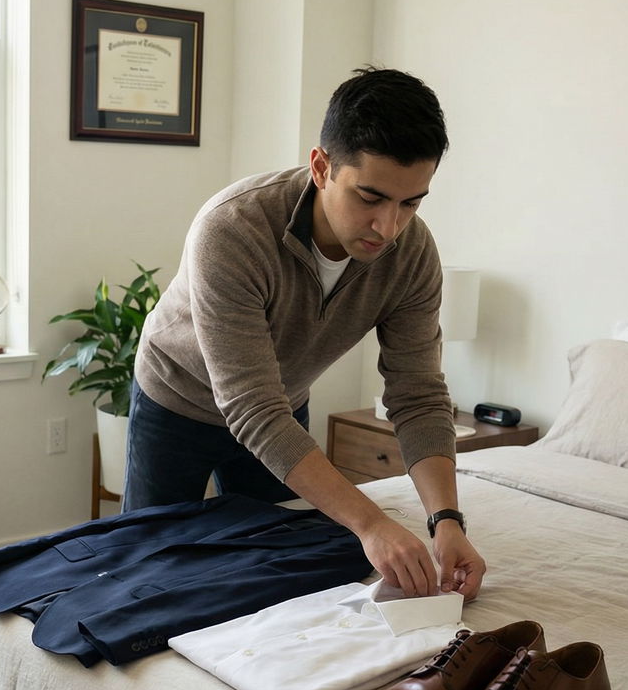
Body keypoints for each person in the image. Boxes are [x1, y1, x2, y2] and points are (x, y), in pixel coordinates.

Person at [126, 66, 486, 601]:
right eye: (370, 197)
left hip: (281, 407)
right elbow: (252, 407)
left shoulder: (411, 255)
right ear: (321, 167)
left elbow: (418, 394)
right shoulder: (232, 228)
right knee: (145, 571)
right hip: (177, 401)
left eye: (410, 203)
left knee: (272, 571)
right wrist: (371, 523)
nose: (388, 228)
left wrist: (446, 521)